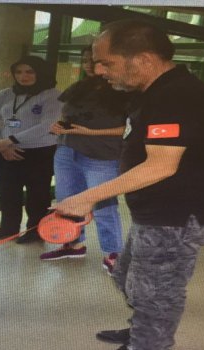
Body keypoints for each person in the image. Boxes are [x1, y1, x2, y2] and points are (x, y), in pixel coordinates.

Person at [52, 20, 204, 350]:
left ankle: (149, 342)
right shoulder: (153, 92)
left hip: (180, 213)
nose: (98, 70)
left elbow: (162, 165)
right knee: (127, 276)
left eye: (106, 62)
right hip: (157, 210)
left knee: (156, 292)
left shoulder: (176, 96)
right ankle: (142, 330)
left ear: (144, 59)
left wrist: (87, 198)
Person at [39, 46, 132, 275]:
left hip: (102, 155)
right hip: (67, 150)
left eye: (97, 61)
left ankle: (114, 253)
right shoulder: (79, 87)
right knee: (67, 201)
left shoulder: (125, 91)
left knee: (103, 205)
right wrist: (58, 126)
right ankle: (73, 243)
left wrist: (91, 133)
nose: (90, 65)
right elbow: (66, 115)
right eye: (85, 60)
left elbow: (131, 129)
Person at [0, 55, 62, 244]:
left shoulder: (52, 95)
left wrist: (10, 140)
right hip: (4, 153)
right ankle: (8, 229)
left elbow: (47, 125)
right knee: (7, 194)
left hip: (38, 153)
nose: (23, 76)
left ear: (40, 73)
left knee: (38, 196)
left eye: (29, 71)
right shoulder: (5, 94)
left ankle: (35, 232)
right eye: (18, 72)